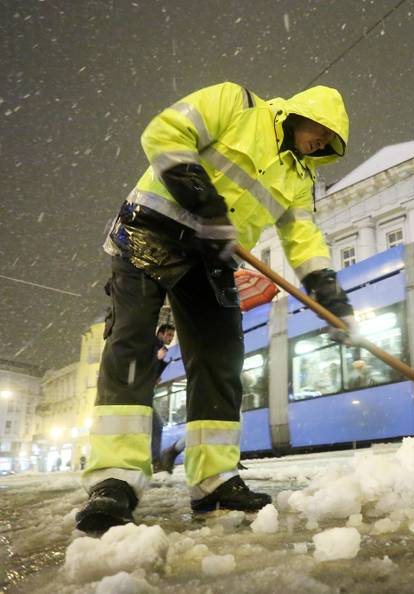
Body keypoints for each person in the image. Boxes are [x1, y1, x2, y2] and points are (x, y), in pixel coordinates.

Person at [76, 82, 355, 533]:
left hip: (212, 255)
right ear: (300, 114)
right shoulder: (236, 103)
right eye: (322, 131)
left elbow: (303, 236)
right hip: (153, 231)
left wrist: (329, 292)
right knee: (132, 345)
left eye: (331, 142)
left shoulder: (300, 179)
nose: (322, 143)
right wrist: (205, 203)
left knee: (221, 359)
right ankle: (115, 480)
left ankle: (215, 481)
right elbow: (164, 132)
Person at [150, 324, 175, 470]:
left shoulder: (161, 348)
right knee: (157, 425)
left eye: (172, 336)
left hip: (147, 393)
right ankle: (155, 461)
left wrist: (156, 377)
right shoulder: (153, 346)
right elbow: (144, 366)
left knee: (154, 426)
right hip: (143, 394)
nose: (171, 338)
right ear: (160, 334)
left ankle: (154, 460)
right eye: (169, 335)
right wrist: (156, 358)